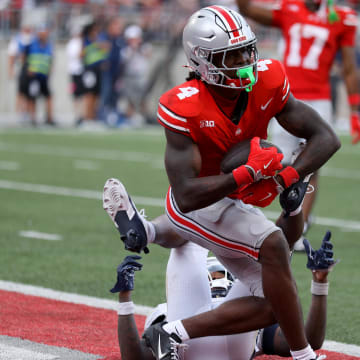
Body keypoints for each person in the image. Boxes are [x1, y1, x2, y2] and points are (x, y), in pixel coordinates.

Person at [104, 5, 340, 359]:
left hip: (234, 200)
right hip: (195, 206)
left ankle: (170, 329)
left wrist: (288, 178)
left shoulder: (267, 81)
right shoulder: (185, 105)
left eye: (247, 50)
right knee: (274, 244)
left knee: (278, 298)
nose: (245, 60)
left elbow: (326, 138)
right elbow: (185, 196)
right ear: (203, 61)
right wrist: (247, 173)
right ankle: (304, 357)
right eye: (232, 55)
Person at [236, 0, 359, 250]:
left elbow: (348, 66)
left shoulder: (341, 18)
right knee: (275, 160)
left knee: (311, 164)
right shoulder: (289, 8)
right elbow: (248, 10)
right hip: (287, 97)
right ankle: (249, 217)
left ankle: (298, 227)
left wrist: (355, 107)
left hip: (319, 98)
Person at [111, 230, 336, 360]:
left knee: (272, 289)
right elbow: (138, 356)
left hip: (201, 338)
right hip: (213, 341)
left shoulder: (247, 314)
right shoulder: (249, 314)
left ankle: (152, 228)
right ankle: (287, 225)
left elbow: (307, 341)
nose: (217, 283)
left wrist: (125, 300)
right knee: (271, 281)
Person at [21, 24, 55, 126]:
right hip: (33, 76)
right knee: (32, 97)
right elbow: (24, 57)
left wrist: (50, 69)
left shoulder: (49, 45)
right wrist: (27, 69)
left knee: (48, 96)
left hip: (43, 76)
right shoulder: (31, 45)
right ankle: (33, 118)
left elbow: (50, 59)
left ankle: (49, 118)